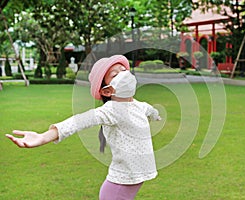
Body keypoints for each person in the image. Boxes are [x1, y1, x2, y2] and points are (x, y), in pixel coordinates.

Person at [6, 55, 161, 200]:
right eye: (115, 75)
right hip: (116, 189)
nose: (124, 75)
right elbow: (78, 121)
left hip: (131, 181)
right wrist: (43, 137)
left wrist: (155, 114)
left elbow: (148, 109)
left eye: (124, 71)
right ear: (107, 90)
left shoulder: (138, 106)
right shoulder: (112, 110)